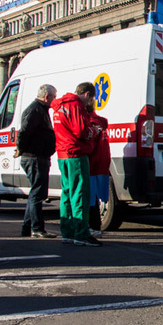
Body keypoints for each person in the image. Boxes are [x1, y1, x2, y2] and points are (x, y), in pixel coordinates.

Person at [52, 82, 100, 246]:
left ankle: (67, 231)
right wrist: (94, 131)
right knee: (80, 193)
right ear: (87, 94)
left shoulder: (60, 105)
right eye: (91, 99)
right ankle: (81, 233)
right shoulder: (75, 105)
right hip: (76, 154)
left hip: (62, 153)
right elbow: (81, 131)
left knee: (67, 193)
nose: (89, 103)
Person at [18, 84, 57, 238]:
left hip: (38, 156)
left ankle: (27, 227)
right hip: (34, 157)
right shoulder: (35, 110)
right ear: (47, 97)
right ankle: (37, 228)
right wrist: (21, 148)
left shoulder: (40, 109)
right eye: (54, 97)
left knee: (36, 192)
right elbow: (24, 131)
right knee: (37, 193)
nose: (54, 100)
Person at [86, 101, 110, 239]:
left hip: (92, 164)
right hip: (102, 164)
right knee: (94, 197)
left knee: (89, 198)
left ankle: (92, 226)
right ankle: (95, 226)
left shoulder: (89, 123)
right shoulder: (100, 122)